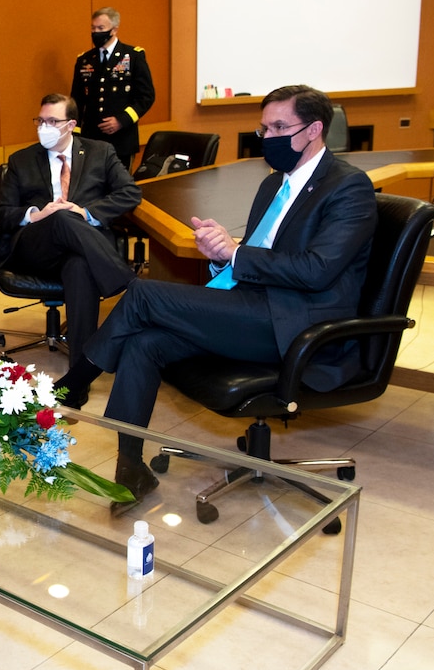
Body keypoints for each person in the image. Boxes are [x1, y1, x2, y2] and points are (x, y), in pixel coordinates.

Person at [55, 85, 378, 505]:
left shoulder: (348, 187)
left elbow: (317, 271)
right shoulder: (272, 186)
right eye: (265, 127)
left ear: (314, 129)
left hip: (298, 323)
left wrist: (237, 253)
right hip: (253, 306)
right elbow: (258, 255)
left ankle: (71, 388)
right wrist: (222, 254)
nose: (269, 136)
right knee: (143, 341)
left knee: (142, 295)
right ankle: (129, 468)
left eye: (280, 126)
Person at [0, 93, 141, 373]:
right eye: (40, 120)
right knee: (60, 215)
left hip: (81, 248)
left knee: (80, 267)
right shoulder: (20, 160)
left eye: (52, 121)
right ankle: (130, 285)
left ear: (71, 124)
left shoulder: (101, 152)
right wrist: (38, 214)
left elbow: (130, 193)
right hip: (37, 246)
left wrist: (85, 213)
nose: (43, 127)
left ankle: (80, 375)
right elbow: (1, 213)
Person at [70, 6, 156, 172]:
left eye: (101, 28)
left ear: (114, 29)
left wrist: (122, 120)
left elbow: (146, 96)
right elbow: (76, 100)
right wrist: (77, 133)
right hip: (91, 139)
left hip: (121, 139)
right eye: (93, 28)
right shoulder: (85, 60)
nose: (96, 32)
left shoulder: (133, 56)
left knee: (120, 190)